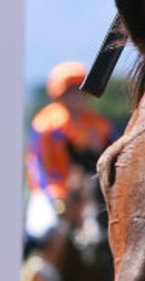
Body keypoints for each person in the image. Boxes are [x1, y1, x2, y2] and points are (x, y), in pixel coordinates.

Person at [24, 61, 117, 255]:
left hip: (91, 193)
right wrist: (51, 193)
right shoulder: (46, 125)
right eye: (71, 92)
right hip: (52, 190)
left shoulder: (99, 125)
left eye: (80, 91)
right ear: (60, 95)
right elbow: (36, 163)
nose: (77, 97)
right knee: (42, 228)